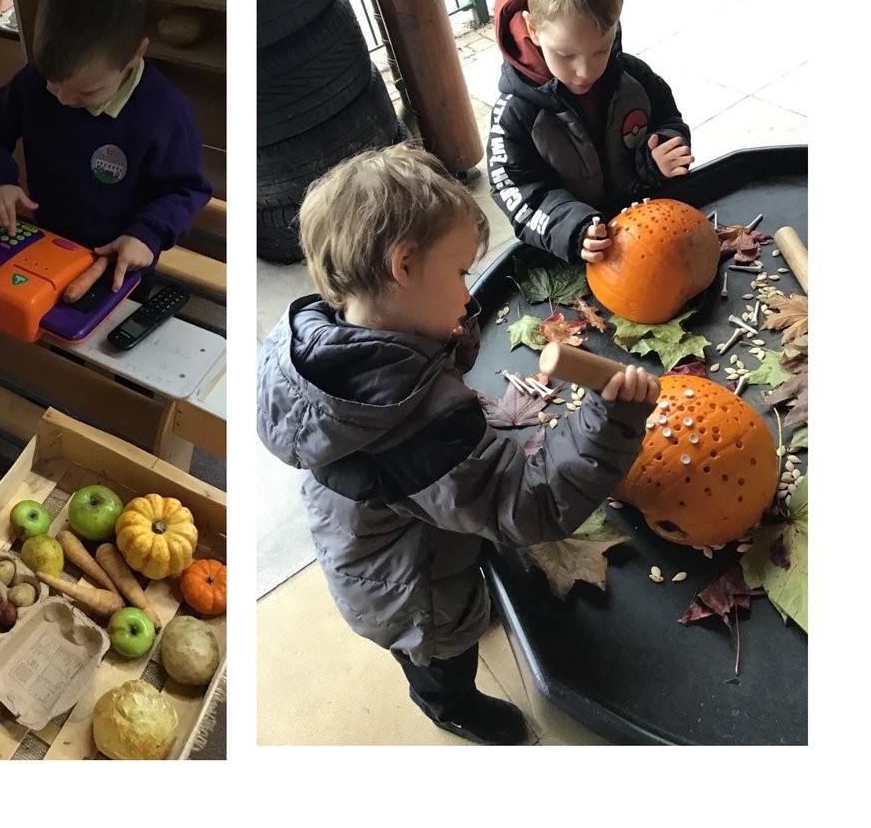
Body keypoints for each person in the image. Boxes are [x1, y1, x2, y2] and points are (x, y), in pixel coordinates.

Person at [256, 145, 660, 744]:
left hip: (377, 534)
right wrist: (612, 420)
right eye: (460, 274)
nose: (469, 297)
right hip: (409, 591)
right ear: (403, 265)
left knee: (455, 609)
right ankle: (450, 705)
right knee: (441, 653)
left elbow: (418, 362)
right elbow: (529, 505)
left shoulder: (339, 339)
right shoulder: (420, 428)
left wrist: (447, 332)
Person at [0, 0, 212, 293]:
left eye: (87, 91)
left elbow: (186, 188)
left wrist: (147, 234)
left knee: (111, 324)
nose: (64, 99)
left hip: (120, 259)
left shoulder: (162, 112)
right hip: (47, 244)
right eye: (54, 83)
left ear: (134, 55)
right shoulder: (34, 83)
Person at [489, 0, 693, 265]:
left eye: (601, 49)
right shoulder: (516, 113)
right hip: (575, 252)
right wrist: (571, 228)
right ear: (533, 30)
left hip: (646, 233)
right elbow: (515, 189)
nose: (586, 71)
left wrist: (661, 153)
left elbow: (668, 120)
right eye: (566, 55)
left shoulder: (633, 77)